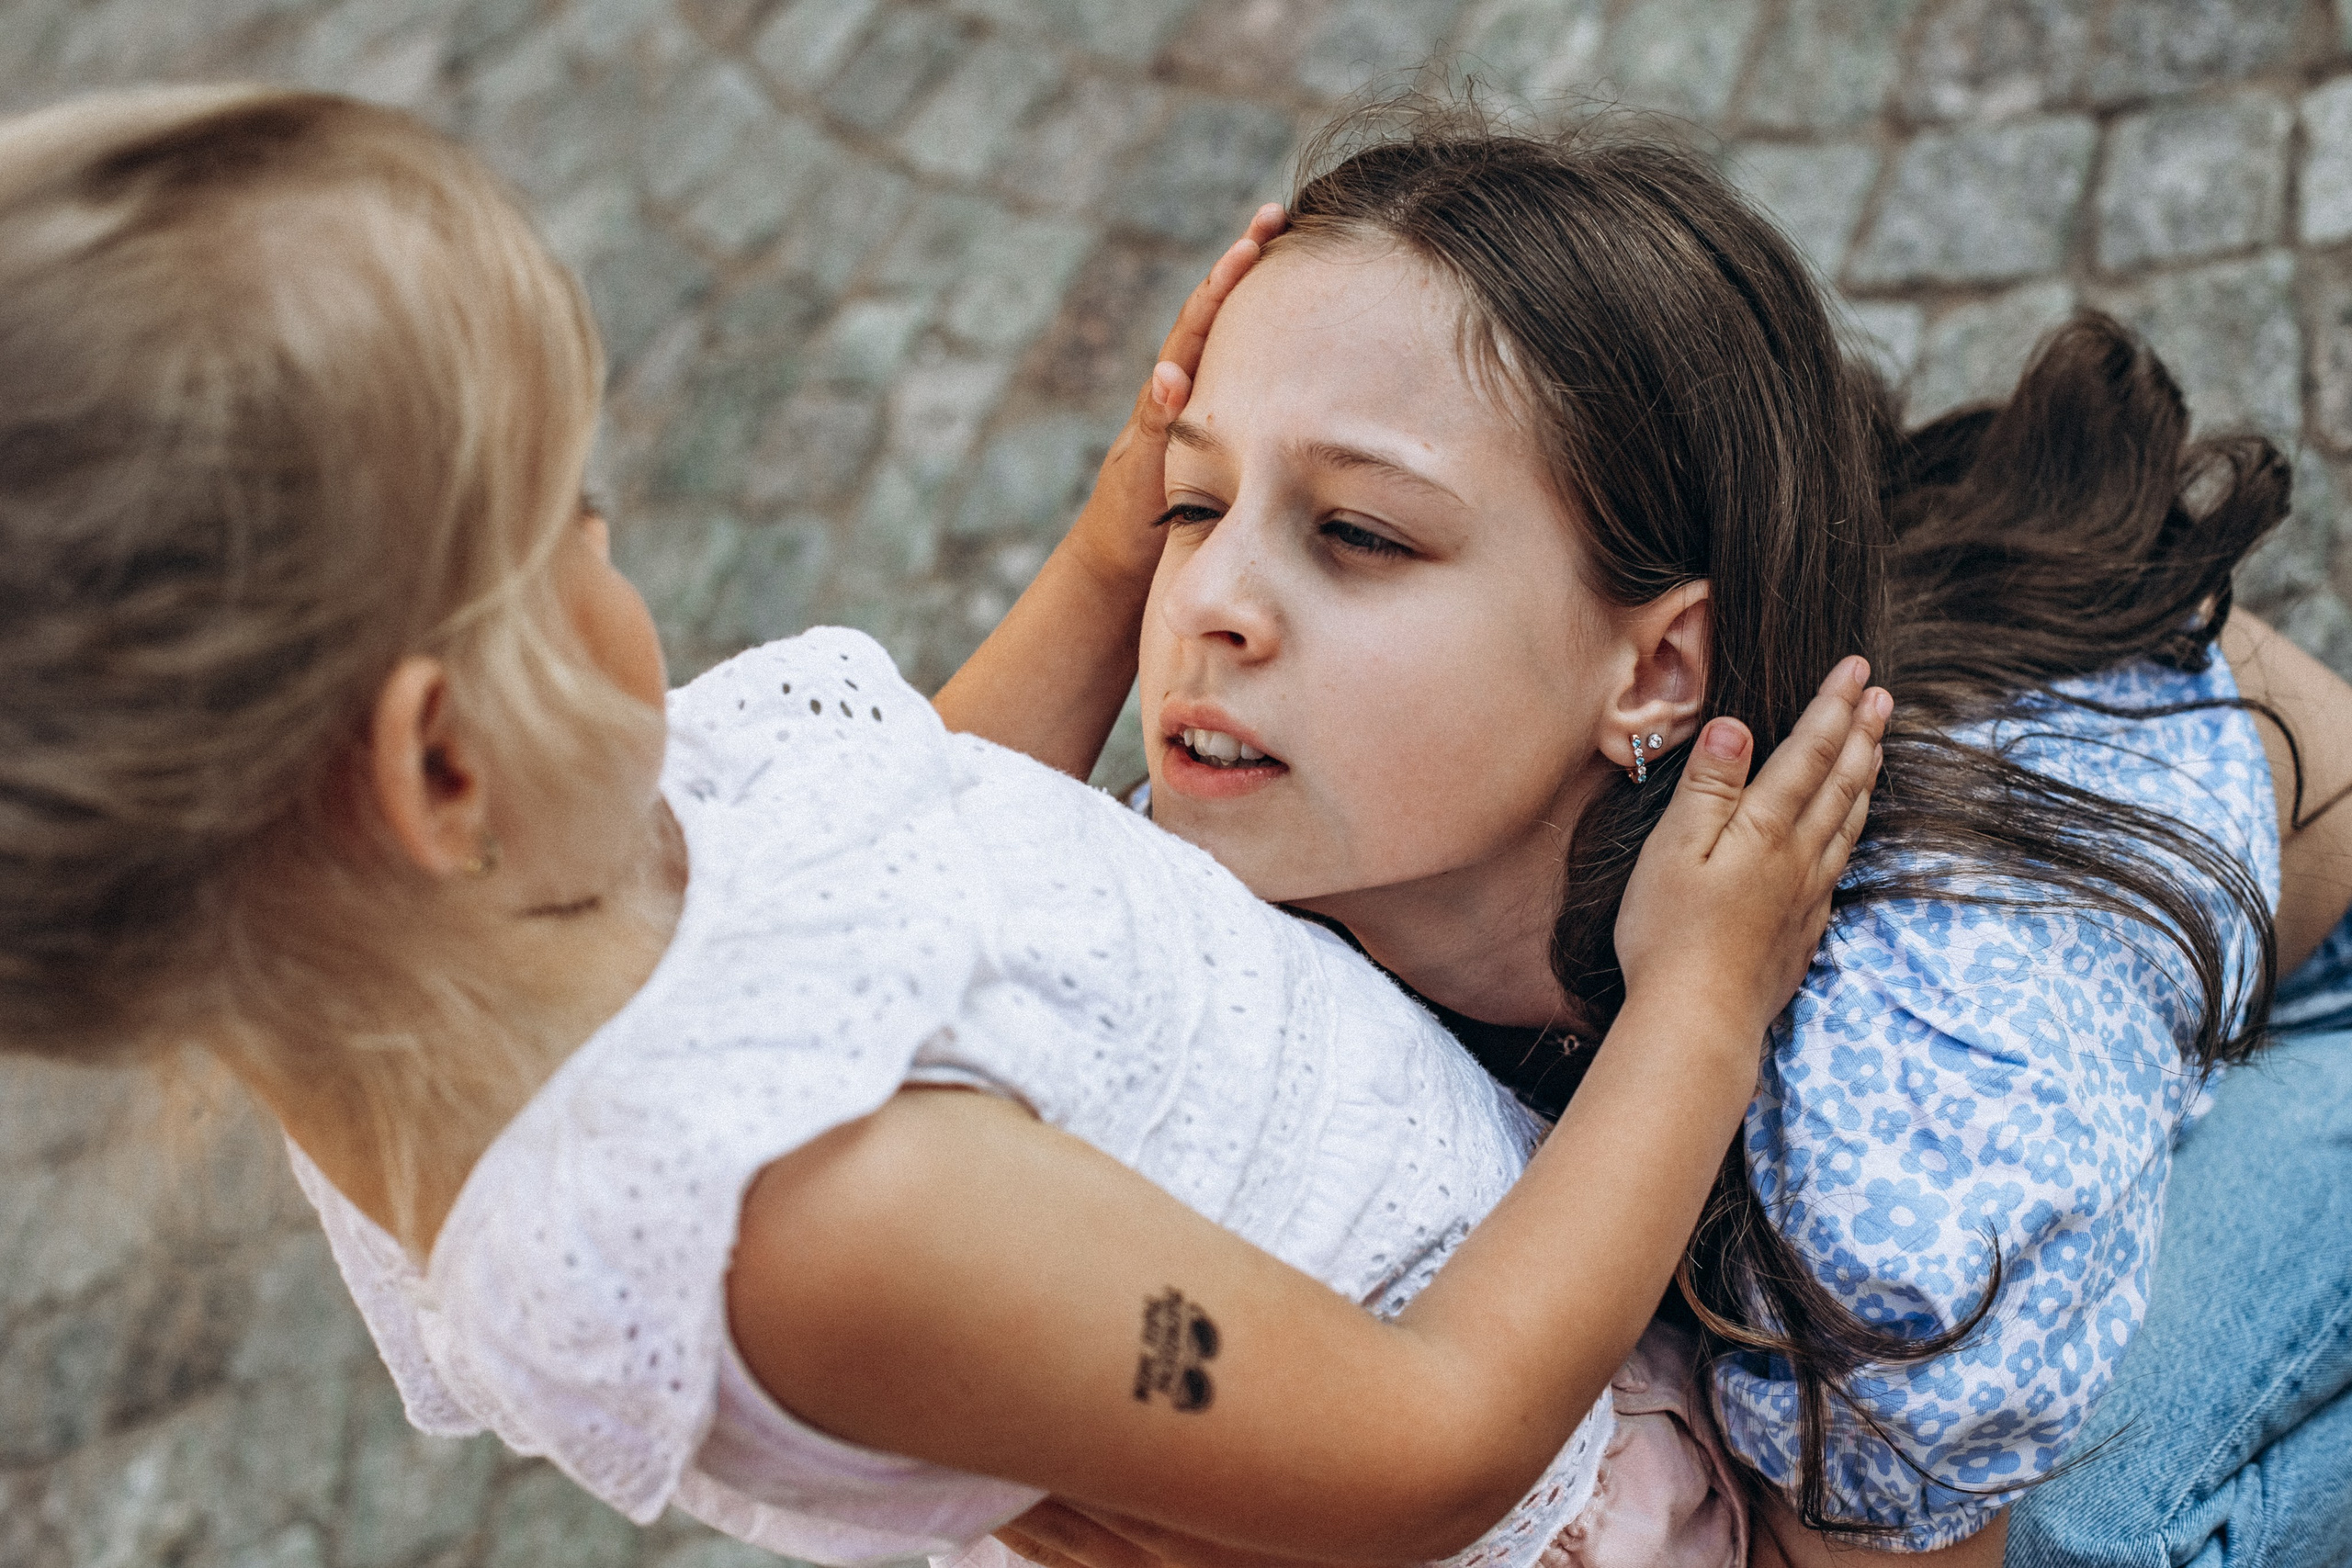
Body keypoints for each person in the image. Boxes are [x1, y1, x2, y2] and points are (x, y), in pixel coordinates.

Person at [0, 85, 1894, 1568]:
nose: (613, 561)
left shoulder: (479, 914)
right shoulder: (823, 1217)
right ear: (436, 769)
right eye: (570, 536)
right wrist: (1697, 1003)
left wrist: (1104, 557)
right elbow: (1433, 1432)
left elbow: (900, 848)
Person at [949, 109, 2352, 1568]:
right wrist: (1119, 531)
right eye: (1194, 500)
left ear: (1657, 674)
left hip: (2313, 1001)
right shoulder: (1284, 859)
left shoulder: (1885, 1173)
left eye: (1361, 533)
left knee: (2079, 1538)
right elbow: (882, 883)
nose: (1206, 601)